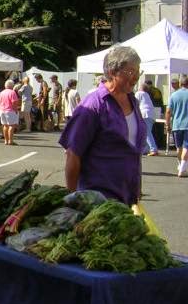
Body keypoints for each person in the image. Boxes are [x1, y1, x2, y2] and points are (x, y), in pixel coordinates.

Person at [59, 45, 145, 205]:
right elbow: (73, 154)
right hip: (97, 199)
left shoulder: (133, 101)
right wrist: (71, 200)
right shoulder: (93, 105)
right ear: (112, 72)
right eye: (131, 72)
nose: (135, 78)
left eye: (138, 72)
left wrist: (136, 186)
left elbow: (133, 150)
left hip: (126, 196)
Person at [166, 75, 188, 178]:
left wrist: (167, 124)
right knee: (186, 147)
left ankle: (181, 166)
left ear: (180, 83)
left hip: (177, 125)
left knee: (179, 148)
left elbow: (168, 111)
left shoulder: (173, 95)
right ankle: (182, 169)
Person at [135, 79, 158, 157]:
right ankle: (146, 149)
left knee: (146, 132)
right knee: (148, 132)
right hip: (151, 114)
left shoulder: (139, 93)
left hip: (144, 113)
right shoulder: (147, 94)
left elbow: (135, 103)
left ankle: (153, 149)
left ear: (140, 88)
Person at [0, 79, 20, 146]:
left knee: (5, 125)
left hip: (2, 110)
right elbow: (14, 102)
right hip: (10, 111)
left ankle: (6, 140)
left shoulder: (1, 92)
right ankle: (10, 141)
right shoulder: (12, 92)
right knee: (11, 126)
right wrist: (16, 110)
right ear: (12, 85)